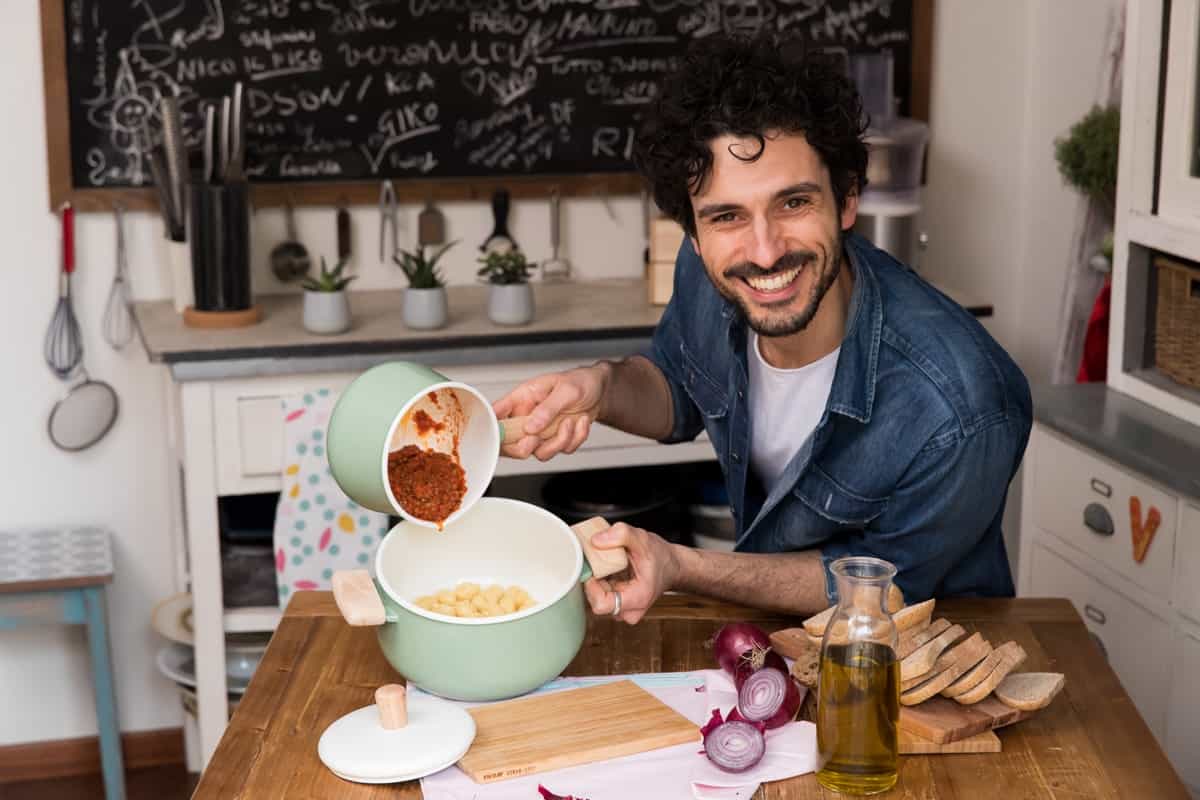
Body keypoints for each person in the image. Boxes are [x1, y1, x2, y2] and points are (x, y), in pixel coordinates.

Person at [494, 33, 1032, 623]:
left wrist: (682, 566)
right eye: (727, 216)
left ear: (847, 200)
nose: (765, 251)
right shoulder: (710, 274)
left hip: (927, 658)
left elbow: (879, 588)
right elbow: (678, 388)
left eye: (793, 203)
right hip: (786, 638)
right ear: (696, 237)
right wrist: (601, 389)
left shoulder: (964, 406)